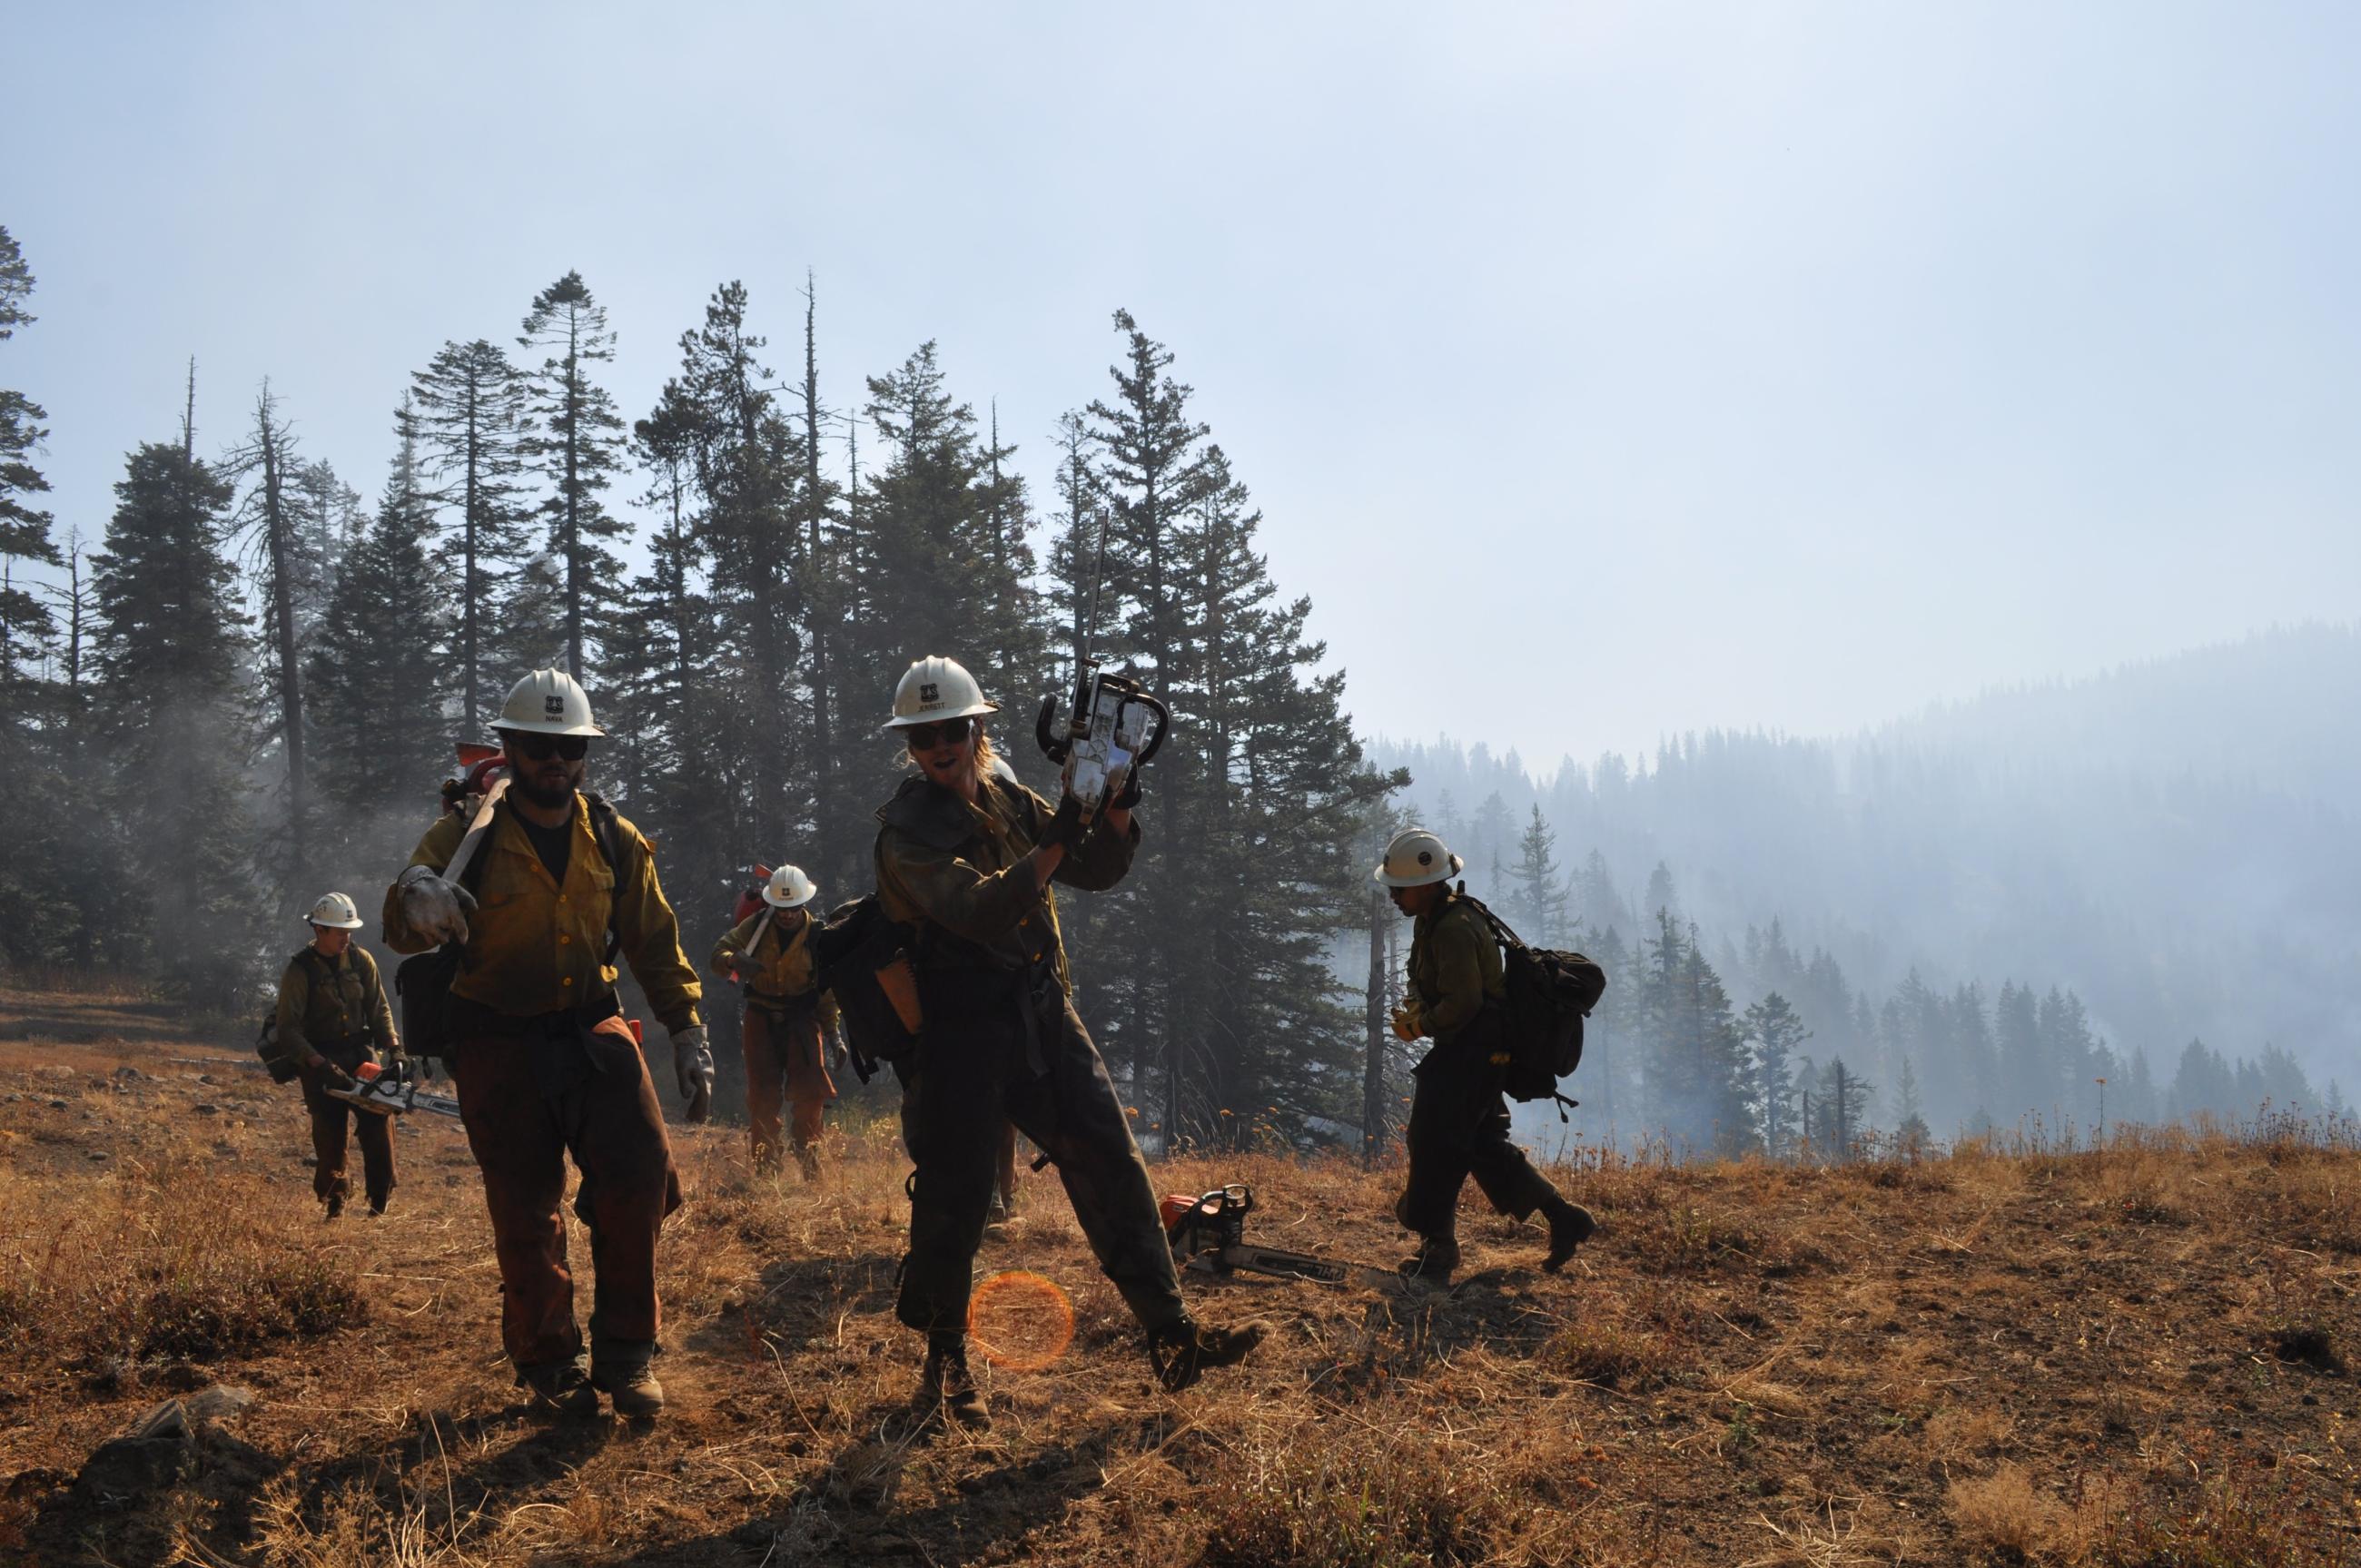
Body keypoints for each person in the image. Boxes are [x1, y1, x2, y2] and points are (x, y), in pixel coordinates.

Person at [873, 655, 1264, 1429]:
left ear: (977, 729)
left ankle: (1172, 1334)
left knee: (1111, 1162)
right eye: (924, 737)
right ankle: (945, 1370)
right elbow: (981, 908)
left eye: (951, 729)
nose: (940, 746)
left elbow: (1097, 868)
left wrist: (1113, 801)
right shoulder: (904, 835)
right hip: (959, 1027)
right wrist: (1054, 837)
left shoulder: (1008, 796)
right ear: (912, 746)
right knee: (956, 1198)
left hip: (1039, 1011)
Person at [382, 668, 710, 1419]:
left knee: (642, 1170)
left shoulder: (611, 835)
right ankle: (549, 1365)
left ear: (583, 753)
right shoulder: (472, 833)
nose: (553, 760)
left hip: (590, 1024)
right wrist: (417, 895)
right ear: (512, 749)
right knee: (527, 1210)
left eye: (567, 746)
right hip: (496, 1036)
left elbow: (654, 941)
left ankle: (627, 1356)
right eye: (537, 746)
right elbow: (405, 910)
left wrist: (687, 1027)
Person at [1378, 827, 1597, 1283]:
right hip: (1471, 1048)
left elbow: (1464, 1004)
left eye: (1399, 888)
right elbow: (1439, 988)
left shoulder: (1455, 928)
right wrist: (1421, 1006)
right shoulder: (1434, 920)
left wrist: (1418, 1025)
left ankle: (1438, 1250)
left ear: (1427, 883)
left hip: (1474, 1050)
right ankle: (1565, 1218)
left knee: (1435, 1140)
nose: (1394, 896)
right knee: (1480, 1144)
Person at [276, 892, 404, 1218]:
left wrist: (395, 1049)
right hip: (320, 1061)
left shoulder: (362, 962)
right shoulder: (300, 971)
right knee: (330, 1134)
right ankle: (335, 1201)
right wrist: (318, 1064)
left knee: (379, 1125)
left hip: (362, 1056)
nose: (347, 938)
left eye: (350, 932)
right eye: (340, 932)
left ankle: (379, 1199)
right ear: (320, 930)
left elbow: (379, 1009)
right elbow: (288, 1029)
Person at [712, 863, 840, 1179]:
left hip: (803, 1021)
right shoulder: (754, 927)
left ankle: (810, 1163)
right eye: (781, 908)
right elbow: (719, 953)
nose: (786, 914)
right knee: (763, 1097)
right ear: (773, 903)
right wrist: (733, 959)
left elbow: (827, 992)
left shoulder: (818, 937)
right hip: (760, 1020)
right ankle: (766, 1169)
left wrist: (833, 1033)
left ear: (803, 904)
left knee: (811, 1095)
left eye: (793, 908)